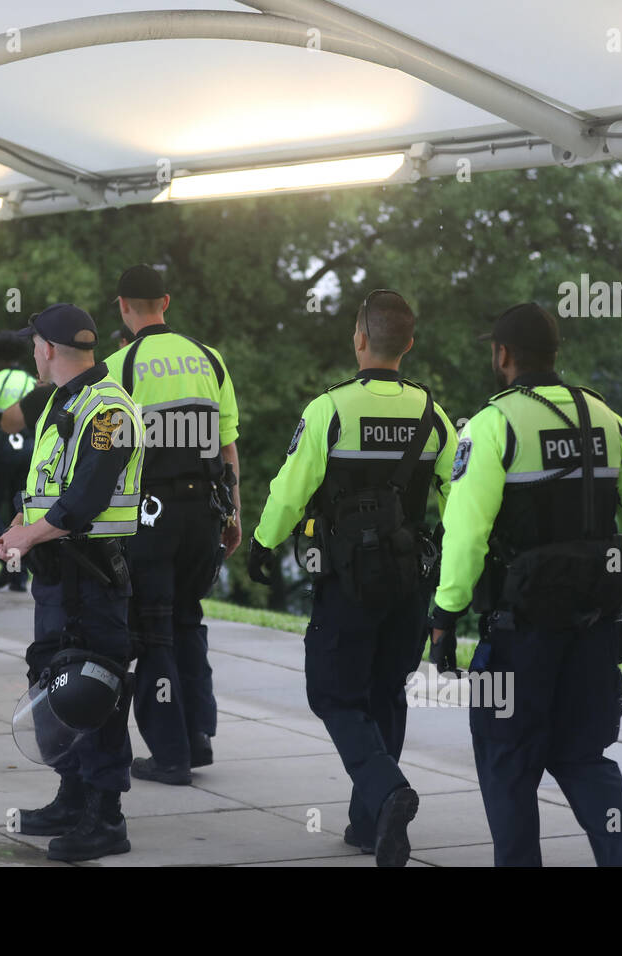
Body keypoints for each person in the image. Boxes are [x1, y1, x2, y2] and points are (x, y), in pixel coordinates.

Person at [429, 302, 622, 867]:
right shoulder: (607, 421)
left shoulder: (493, 425)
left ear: (503, 355)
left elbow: (465, 534)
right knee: (583, 754)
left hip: (517, 635)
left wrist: (444, 618)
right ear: (554, 354)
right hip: (595, 628)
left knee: (506, 764)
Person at [248, 290, 453, 866]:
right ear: (407, 344)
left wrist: (263, 544)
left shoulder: (330, 410)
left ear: (359, 338)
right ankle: (370, 824)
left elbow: (289, 490)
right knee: (387, 691)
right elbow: (458, 503)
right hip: (410, 583)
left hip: (347, 583)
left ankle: (387, 794)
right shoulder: (433, 415)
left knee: (335, 694)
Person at [0, 303, 144, 862]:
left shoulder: (108, 408)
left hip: (92, 575)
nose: (32, 352)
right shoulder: (67, 401)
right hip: (61, 575)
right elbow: (50, 486)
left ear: (50, 348)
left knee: (94, 690)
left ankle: (106, 817)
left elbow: (86, 499)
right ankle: (72, 796)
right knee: (57, 684)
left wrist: (29, 537)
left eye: (33, 343)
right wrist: (21, 522)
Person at [104, 265, 241, 784]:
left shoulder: (120, 366)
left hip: (151, 517)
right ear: (166, 300)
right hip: (205, 513)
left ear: (123, 306)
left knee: (153, 631)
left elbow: (110, 457)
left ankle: (169, 755)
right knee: (188, 619)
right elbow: (227, 444)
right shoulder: (210, 359)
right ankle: (198, 737)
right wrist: (234, 512)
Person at [0, 331, 37, 591]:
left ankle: (7, 562)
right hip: (28, 450)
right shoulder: (31, 381)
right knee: (20, 509)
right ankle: (19, 574)